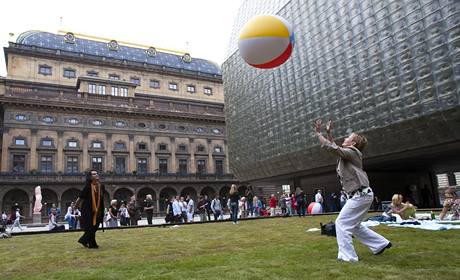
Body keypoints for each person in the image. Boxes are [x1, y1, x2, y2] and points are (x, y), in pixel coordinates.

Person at [315, 119, 391, 262]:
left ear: (353, 144)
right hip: (362, 195)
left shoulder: (352, 152)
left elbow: (332, 148)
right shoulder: (349, 153)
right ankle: (381, 244)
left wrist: (318, 133)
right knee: (354, 226)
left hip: (360, 195)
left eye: (348, 138)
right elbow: (335, 147)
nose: (344, 138)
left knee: (341, 223)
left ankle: (348, 257)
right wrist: (329, 132)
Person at [75, 170, 105, 249]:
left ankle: (83, 240)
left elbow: (101, 197)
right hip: (87, 210)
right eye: (94, 174)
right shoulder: (87, 187)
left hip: (98, 210)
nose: (96, 174)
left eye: (96, 173)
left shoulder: (101, 186)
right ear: (90, 177)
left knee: (95, 227)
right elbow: (80, 198)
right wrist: (74, 207)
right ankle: (92, 244)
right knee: (90, 227)